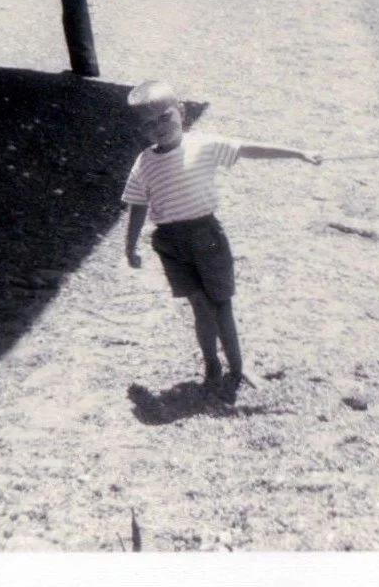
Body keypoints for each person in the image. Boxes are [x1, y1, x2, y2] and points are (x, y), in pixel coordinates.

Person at [121, 80, 321, 401]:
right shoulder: (144, 164)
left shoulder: (204, 145)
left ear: (182, 112)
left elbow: (247, 148)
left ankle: (237, 368)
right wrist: (130, 246)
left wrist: (299, 153)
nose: (158, 128)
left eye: (165, 118)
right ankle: (212, 365)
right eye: (148, 124)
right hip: (170, 244)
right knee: (200, 306)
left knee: (222, 305)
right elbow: (137, 205)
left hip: (207, 238)